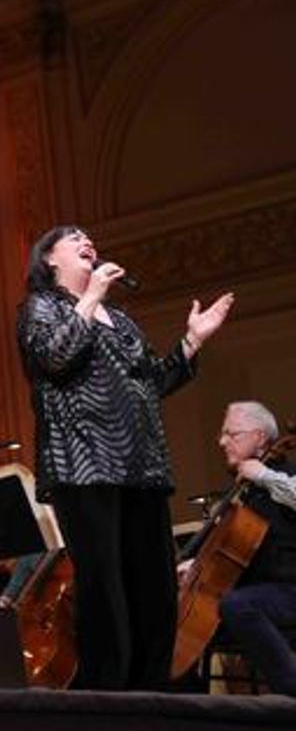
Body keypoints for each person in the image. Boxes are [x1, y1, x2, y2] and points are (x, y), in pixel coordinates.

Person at [16, 224, 233, 690]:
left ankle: (153, 689)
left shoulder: (122, 320)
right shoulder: (42, 307)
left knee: (153, 584)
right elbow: (54, 358)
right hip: (84, 463)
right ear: (50, 259)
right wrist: (89, 297)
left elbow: (152, 382)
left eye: (88, 236)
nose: (85, 240)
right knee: (104, 584)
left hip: (142, 466)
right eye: (72, 238)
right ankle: (110, 692)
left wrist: (191, 342)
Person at [181, 401, 295, 695]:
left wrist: (265, 476)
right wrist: (194, 565)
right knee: (184, 620)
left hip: (289, 591)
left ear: (259, 437)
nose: (222, 442)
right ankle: (186, 705)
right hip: (255, 594)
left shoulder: (281, 475)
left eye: (232, 434)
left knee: (238, 605)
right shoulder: (244, 492)